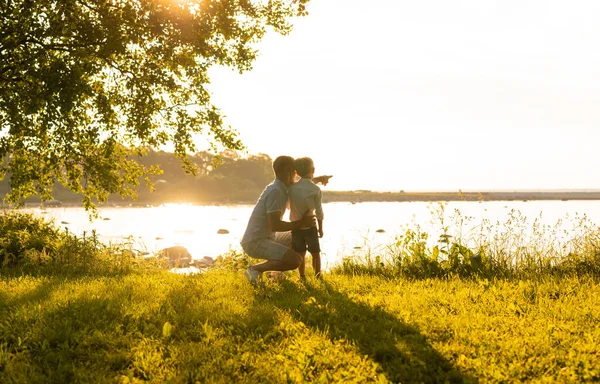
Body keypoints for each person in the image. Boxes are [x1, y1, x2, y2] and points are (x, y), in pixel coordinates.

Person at [240, 156, 331, 283]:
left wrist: (320, 179)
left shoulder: (282, 186)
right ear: (289, 171)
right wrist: (301, 223)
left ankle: (274, 275)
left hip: (268, 237)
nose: (296, 175)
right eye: (295, 171)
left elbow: (303, 185)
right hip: (255, 242)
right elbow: (275, 226)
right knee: (295, 260)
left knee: (296, 236)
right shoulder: (276, 192)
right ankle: (255, 269)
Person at [288, 157, 323, 279]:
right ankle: (318, 276)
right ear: (313, 170)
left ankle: (302, 276)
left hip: (296, 227)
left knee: (300, 253)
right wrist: (321, 228)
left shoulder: (291, 188)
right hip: (311, 226)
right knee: (316, 254)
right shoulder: (315, 189)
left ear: (296, 173)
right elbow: (319, 211)